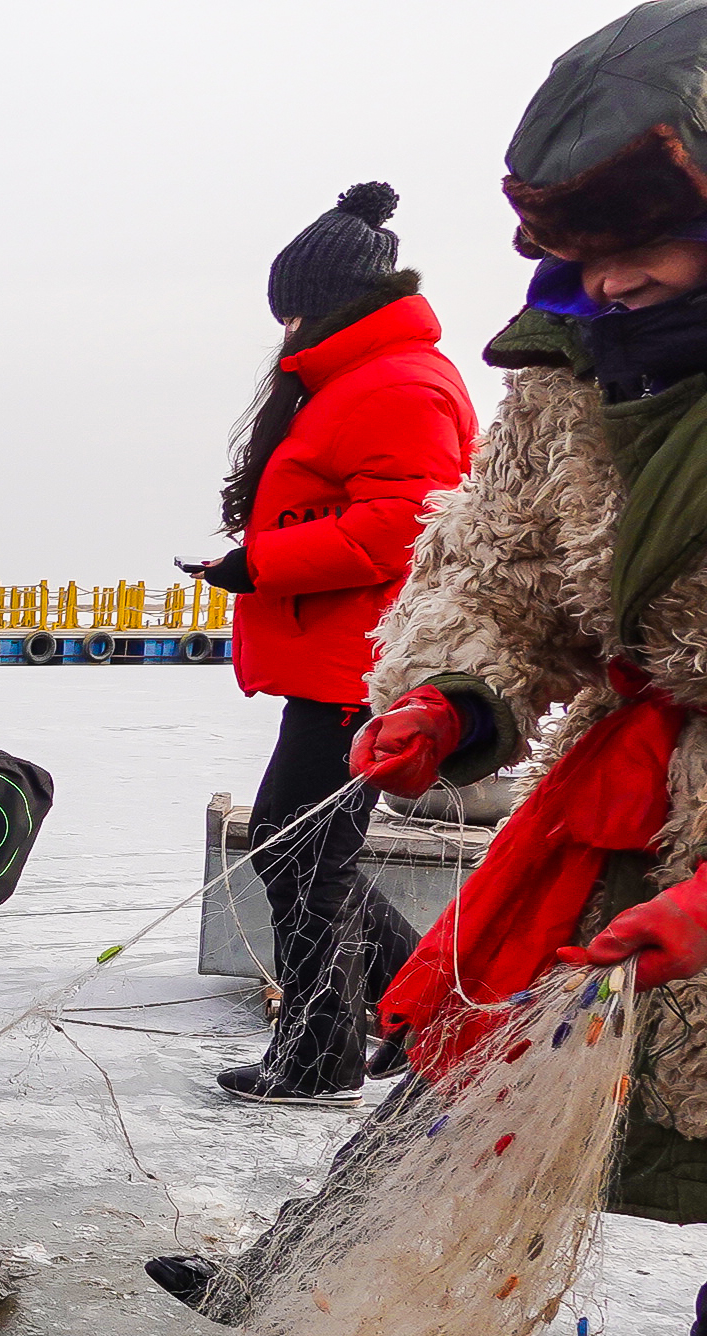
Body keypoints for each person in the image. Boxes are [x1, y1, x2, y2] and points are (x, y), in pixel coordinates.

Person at [152, 2, 707, 1336]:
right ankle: (314, 1286)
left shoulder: (389, 384)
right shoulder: (574, 368)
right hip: (623, 799)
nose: (600, 280)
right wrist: (457, 688)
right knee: (477, 1066)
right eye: (579, 249)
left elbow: (385, 517)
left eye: (636, 239)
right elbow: (492, 561)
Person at [186, 183, 476, 1107]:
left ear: (337, 299)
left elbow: (407, 522)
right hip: (339, 657)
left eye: (297, 307)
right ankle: (421, 1011)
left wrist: (261, 563)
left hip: (368, 661)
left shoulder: (401, 382)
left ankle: (326, 1052)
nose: (288, 326)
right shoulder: (359, 379)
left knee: (299, 845)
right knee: (302, 845)